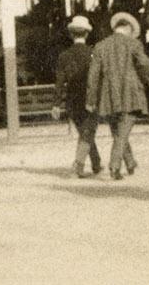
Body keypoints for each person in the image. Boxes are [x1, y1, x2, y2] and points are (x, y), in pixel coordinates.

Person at [85, 11, 149, 181]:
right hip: (130, 92)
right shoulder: (134, 44)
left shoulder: (100, 46)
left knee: (118, 130)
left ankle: (130, 162)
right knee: (123, 131)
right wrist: (144, 78)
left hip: (108, 95)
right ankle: (115, 166)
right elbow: (144, 64)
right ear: (128, 27)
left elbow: (92, 75)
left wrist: (91, 99)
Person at [52, 15, 103, 178]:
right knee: (88, 132)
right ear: (87, 34)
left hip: (72, 101)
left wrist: (56, 103)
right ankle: (79, 166)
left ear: (71, 34)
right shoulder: (94, 53)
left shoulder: (63, 56)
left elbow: (59, 81)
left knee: (84, 132)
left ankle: (96, 164)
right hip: (92, 99)